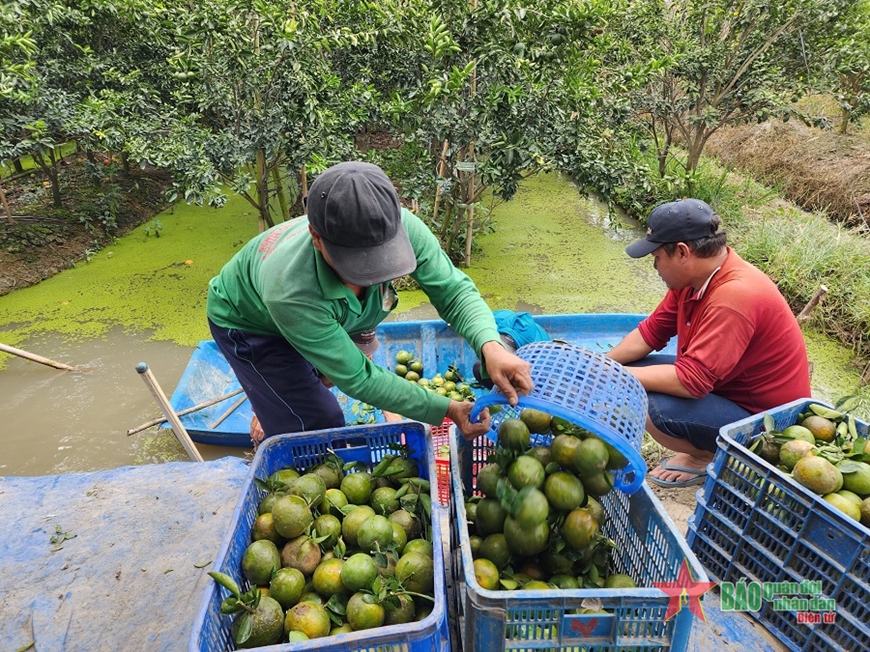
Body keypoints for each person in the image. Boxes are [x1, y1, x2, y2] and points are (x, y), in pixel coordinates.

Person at [206, 161, 533, 444]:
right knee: (317, 421)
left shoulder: (403, 227)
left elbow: (454, 291)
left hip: (333, 314)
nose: (374, 278)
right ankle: (272, 400)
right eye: (359, 267)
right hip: (249, 323)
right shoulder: (290, 289)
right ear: (316, 238)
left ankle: (277, 394)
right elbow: (359, 378)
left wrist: (492, 348)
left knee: (326, 376)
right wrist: (446, 409)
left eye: (383, 262)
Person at [606, 198, 811, 487]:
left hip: (769, 424)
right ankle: (706, 449)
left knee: (652, 405)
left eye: (656, 257)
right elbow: (650, 333)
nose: (654, 266)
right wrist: (604, 364)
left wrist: (615, 376)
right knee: (633, 367)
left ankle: (709, 455)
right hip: (728, 391)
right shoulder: (695, 280)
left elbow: (692, 382)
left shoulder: (734, 297)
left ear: (682, 253)